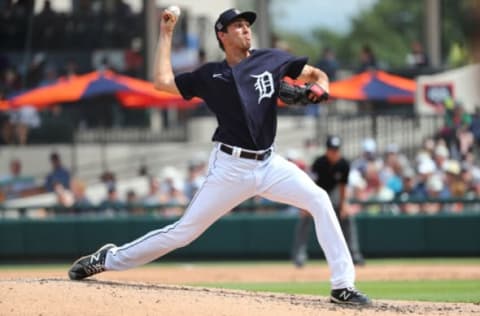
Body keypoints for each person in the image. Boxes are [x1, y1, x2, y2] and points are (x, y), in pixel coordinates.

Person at [68, 8, 370, 306]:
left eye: (247, 24)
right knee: (183, 233)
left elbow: (317, 74)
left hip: (269, 163)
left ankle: (342, 286)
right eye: (237, 25)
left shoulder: (272, 59)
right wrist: (167, 33)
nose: (245, 29)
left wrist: (321, 88)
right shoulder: (211, 75)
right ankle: (108, 258)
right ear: (221, 35)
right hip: (230, 168)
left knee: (319, 200)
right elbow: (161, 81)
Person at [291, 135, 365, 267]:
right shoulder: (319, 162)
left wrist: (343, 205)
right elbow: (311, 182)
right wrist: (306, 203)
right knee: (305, 218)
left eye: (336, 149)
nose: (334, 152)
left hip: (334, 193)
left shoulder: (343, 164)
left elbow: (343, 186)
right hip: (317, 191)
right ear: (327, 150)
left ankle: (354, 254)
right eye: (331, 149)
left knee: (347, 216)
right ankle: (299, 255)